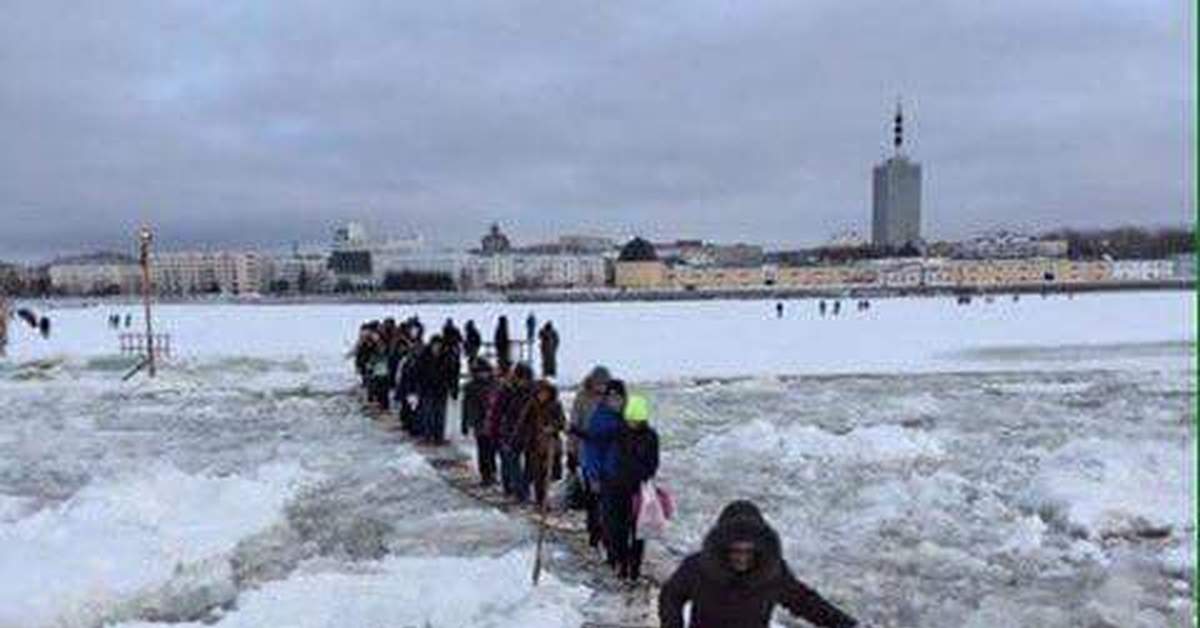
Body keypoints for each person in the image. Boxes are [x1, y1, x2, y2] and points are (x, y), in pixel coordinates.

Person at [658, 501, 858, 628]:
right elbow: (671, 595)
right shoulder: (698, 566)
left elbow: (803, 601)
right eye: (735, 550)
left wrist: (843, 623)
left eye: (748, 551)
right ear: (722, 546)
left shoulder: (772, 572)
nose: (742, 557)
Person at [572, 378, 628, 567]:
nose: (614, 401)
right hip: (604, 475)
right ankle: (608, 551)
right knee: (605, 514)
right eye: (610, 397)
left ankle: (619, 553)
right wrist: (594, 476)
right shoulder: (601, 417)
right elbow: (592, 449)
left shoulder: (629, 417)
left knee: (622, 518)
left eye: (617, 397)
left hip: (623, 476)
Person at [611, 394, 659, 581]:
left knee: (639, 531)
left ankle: (634, 569)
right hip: (620, 487)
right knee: (620, 529)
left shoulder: (651, 437)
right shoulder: (620, 434)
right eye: (631, 420)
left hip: (639, 488)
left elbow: (653, 463)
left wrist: (642, 475)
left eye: (636, 421)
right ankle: (623, 564)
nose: (633, 424)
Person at [569, 366, 612, 545]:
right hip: (585, 452)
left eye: (604, 385)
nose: (600, 388)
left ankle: (604, 529)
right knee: (592, 494)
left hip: (607, 454)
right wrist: (571, 451)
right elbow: (574, 423)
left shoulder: (612, 399)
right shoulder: (582, 398)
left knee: (606, 494)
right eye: (598, 384)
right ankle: (594, 528)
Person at [515, 379, 566, 506]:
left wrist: (552, 427)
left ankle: (546, 499)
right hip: (534, 445)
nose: (542, 396)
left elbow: (562, 422)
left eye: (545, 393)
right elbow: (522, 422)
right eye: (540, 393)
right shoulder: (531, 405)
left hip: (551, 445)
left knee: (550, 473)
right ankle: (540, 500)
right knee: (537, 474)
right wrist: (521, 436)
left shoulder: (555, 405)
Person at [498, 363, 535, 501]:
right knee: (511, 461)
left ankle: (523, 488)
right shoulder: (508, 390)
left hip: (529, 432)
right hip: (511, 430)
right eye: (521, 379)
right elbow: (501, 410)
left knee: (530, 464)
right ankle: (518, 490)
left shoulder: (534, 392)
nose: (523, 382)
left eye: (526, 379)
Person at [461, 359, 498, 486]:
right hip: (479, 422)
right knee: (483, 450)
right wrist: (465, 424)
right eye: (479, 372)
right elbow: (466, 407)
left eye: (484, 372)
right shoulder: (471, 387)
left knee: (491, 450)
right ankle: (486, 475)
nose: (482, 375)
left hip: (492, 422)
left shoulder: (495, 384)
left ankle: (492, 472)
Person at [416, 335, 459, 445]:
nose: (437, 347)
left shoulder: (447, 357)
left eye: (439, 344)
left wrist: (454, 389)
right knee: (428, 413)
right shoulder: (424, 356)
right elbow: (418, 373)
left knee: (440, 414)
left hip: (441, 389)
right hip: (427, 389)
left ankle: (438, 436)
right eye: (435, 344)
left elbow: (452, 374)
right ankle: (427, 436)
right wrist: (418, 388)